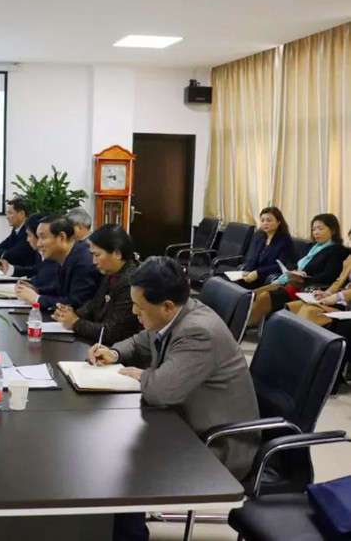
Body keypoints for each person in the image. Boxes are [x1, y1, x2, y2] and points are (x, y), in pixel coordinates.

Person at [88, 257, 259, 541]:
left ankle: (128, 534)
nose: (134, 311)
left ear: (167, 306)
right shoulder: (177, 314)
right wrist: (115, 353)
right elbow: (143, 340)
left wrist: (141, 374)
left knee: (120, 463)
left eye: (140, 307)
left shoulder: (198, 332)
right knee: (112, 446)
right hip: (185, 421)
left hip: (217, 444)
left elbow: (160, 392)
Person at [248, 213, 348, 325]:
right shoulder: (312, 247)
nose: (316, 232)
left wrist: (305, 278)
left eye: (320, 229)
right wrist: (294, 272)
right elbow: (300, 265)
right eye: (313, 229)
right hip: (291, 283)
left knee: (265, 297)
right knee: (254, 294)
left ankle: (245, 326)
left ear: (333, 230)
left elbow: (330, 275)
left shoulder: (337, 250)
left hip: (305, 288)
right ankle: (243, 322)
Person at [52, 225, 141, 345]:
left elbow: (111, 332)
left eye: (97, 255)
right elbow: (95, 304)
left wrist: (75, 323)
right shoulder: (111, 273)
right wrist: (71, 313)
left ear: (117, 253)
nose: (94, 261)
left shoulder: (131, 281)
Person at [15, 215, 100, 309]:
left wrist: (37, 299)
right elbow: (59, 289)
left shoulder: (84, 261)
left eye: (43, 237)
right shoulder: (65, 255)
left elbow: (77, 302)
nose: (38, 244)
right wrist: (37, 291)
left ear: (62, 237)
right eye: (38, 238)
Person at [0, 212, 59, 293]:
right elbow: (35, 269)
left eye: (29, 236)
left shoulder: (53, 256)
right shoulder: (39, 252)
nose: (27, 240)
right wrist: (11, 269)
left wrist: (31, 286)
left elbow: (42, 280)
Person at [235, 206, 295, 288]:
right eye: (262, 220)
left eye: (269, 220)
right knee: (231, 284)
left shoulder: (285, 241)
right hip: (253, 275)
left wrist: (257, 273)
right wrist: (248, 271)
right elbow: (252, 257)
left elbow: (281, 266)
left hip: (267, 278)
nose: (265, 223)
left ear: (278, 222)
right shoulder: (259, 237)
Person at [288, 249, 351, 327]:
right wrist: (328, 293)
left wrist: (339, 296)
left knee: (309, 311)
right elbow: (339, 281)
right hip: (341, 301)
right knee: (293, 307)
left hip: (346, 304)